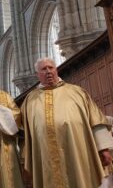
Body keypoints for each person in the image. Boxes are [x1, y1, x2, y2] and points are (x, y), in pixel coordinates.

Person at [22, 57, 113, 187]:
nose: (48, 71)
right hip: (46, 157)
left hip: (78, 151)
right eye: (43, 69)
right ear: (37, 75)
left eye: (51, 68)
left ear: (56, 70)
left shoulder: (77, 92)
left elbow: (95, 121)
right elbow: (26, 134)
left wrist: (103, 148)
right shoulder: (30, 100)